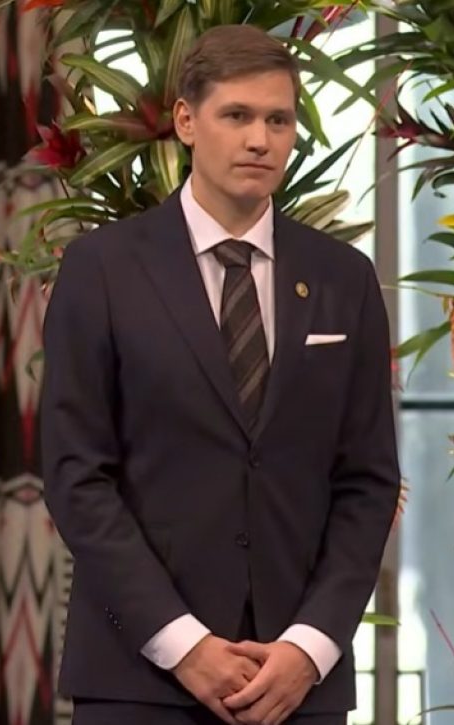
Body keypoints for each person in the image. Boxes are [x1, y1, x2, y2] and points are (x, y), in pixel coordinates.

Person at [40, 24, 400, 725]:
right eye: (236, 116)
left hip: (297, 686)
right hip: (140, 680)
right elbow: (78, 476)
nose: (259, 139)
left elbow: (367, 481)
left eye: (278, 119)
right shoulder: (102, 269)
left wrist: (311, 645)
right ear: (185, 121)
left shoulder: (344, 279)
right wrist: (185, 644)